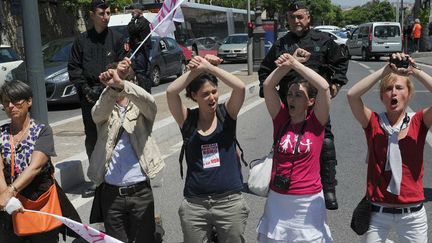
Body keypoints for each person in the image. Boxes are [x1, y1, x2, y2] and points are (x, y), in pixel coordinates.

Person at [258, 1, 348, 210]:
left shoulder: (324, 40)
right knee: (286, 144)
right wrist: (273, 95)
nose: (296, 21)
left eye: (300, 16)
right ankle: (282, 181)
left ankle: (328, 187)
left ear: (308, 18)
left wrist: (335, 84)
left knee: (325, 141)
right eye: (292, 17)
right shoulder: (281, 45)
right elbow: (264, 71)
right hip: (290, 106)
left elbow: (341, 61)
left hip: (315, 105)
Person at [347, 53, 429, 242]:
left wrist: (414, 71)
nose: (393, 92)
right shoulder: (373, 121)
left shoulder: (418, 121)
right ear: (382, 96)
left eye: (399, 88)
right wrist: (384, 71)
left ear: (408, 94)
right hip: (378, 213)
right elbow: (352, 95)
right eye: (388, 88)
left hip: (412, 215)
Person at [166, 55, 249, 242]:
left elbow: (240, 87)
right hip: (196, 204)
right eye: (205, 94)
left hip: (229, 202)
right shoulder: (187, 119)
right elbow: (171, 92)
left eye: (214, 92)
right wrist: (194, 71)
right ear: (194, 96)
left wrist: (209, 68)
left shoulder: (226, 114)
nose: (212, 97)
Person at [257, 50, 333, 242]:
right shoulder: (281, 119)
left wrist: (298, 66)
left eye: (298, 95)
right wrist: (288, 64)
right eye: (290, 94)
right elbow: (268, 85)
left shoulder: (316, 123)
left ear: (311, 101)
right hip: (278, 199)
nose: (292, 98)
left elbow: (324, 87)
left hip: (307, 202)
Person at [87, 58, 165, 242]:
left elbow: (151, 103)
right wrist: (112, 88)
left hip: (140, 193)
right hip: (111, 194)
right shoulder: (105, 107)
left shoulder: (141, 107)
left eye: (124, 80)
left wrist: (122, 83)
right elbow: (97, 114)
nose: (118, 84)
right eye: (113, 81)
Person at [0, 80, 80, 243]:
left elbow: (35, 167)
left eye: (16, 101)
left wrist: (10, 191)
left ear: (29, 101)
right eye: (6, 101)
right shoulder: (1, 132)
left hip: (38, 201)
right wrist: (5, 196)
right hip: (9, 205)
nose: (11, 106)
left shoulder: (42, 131)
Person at [68, 0, 125, 195]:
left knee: (115, 133)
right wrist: (85, 90)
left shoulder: (116, 39)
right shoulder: (81, 41)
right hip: (89, 96)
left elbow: (121, 66)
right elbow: (74, 69)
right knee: (92, 136)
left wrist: (110, 85)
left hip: (112, 94)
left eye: (108, 13)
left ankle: (116, 172)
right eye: (101, 13)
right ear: (92, 15)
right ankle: (96, 178)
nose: (106, 17)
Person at [127, 3, 153, 93]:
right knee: (138, 72)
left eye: (133, 11)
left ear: (138, 11)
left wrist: (132, 19)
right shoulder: (138, 22)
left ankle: (145, 92)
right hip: (136, 50)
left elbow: (132, 30)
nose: (132, 13)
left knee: (141, 71)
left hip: (142, 51)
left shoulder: (144, 22)